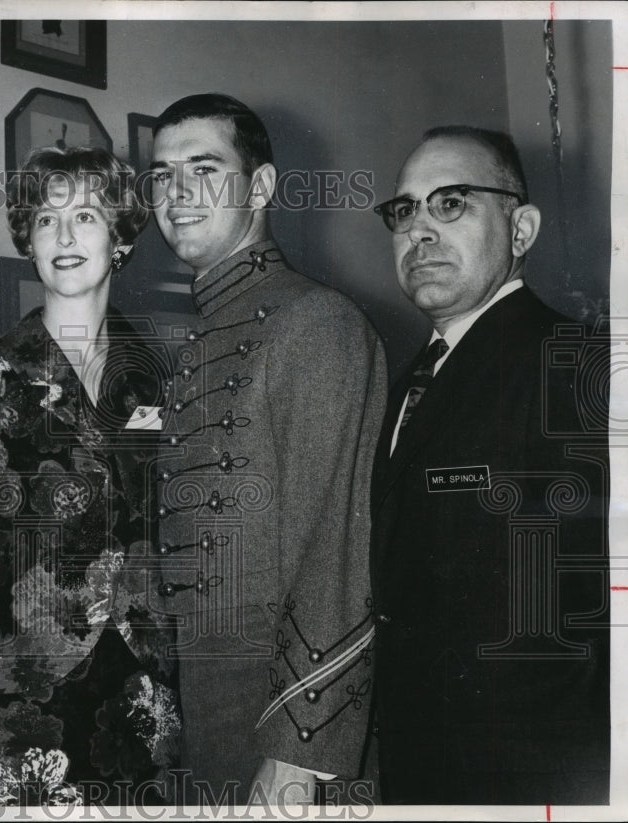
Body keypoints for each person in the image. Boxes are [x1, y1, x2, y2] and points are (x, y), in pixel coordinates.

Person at [0, 146, 180, 807]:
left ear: (120, 238)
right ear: (27, 243)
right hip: (25, 726)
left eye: (86, 215)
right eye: (44, 219)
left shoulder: (163, 384)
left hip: (151, 718)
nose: (63, 236)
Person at [149, 93, 386, 805]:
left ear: (260, 187)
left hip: (282, 735)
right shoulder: (196, 339)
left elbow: (335, 553)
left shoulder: (315, 321)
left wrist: (296, 756)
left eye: (202, 168)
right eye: (161, 175)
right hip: (207, 710)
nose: (177, 192)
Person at [370, 125, 609, 804]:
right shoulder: (409, 384)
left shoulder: (577, 367)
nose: (419, 230)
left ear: (522, 227)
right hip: (423, 772)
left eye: (451, 203)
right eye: (404, 210)